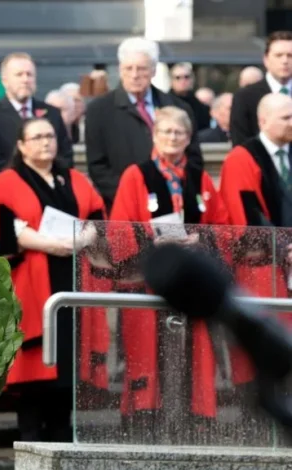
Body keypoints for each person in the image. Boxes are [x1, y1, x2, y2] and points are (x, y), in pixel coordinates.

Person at [109, 106, 229, 443]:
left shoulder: (199, 178)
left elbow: (222, 226)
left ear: (189, 138)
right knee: (148, 357)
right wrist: (153, 240)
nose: (172, 138)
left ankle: (191, 427)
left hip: (192, 283)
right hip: (149, 283)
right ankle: (145, 425)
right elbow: (120, 228)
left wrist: (200, 239)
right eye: (166, 132)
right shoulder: (136, 174)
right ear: (154, 136)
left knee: (193, 358)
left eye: (178, 133)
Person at [0, 117, 107, 442]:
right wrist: (55, 244)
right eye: (37, 137)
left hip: (71, 282)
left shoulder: (73, 178)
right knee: (33, 377)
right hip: (32, 285)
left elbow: (96, 216)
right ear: (22, 145)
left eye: (50, 136)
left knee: (66, 374)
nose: (45, 142)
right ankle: (30, 443)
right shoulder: (7, 182)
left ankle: (62, 440)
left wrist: (79, 242)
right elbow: (7, 229)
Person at [219, 92, 292, 388]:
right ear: (263, 120)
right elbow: (248, 219)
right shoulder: (242, 158)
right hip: (262, 267)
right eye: (286, 117)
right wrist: (284, 249)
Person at [85, 37, 202, 211]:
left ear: (153, 70)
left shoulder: (177, 106)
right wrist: (133, 198)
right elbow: (98, 167)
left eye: (141, 68)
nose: (134, 75)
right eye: (128, 68)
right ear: (120, 70)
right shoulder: (99, 110)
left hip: (174, 204)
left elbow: (194, 158)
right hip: (125, 208)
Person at [0, 52, 73, 181]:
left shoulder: (52, 113)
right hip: (11, 189)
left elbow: (65, 155)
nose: (25, 80)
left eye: (29, 74)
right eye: (19, 74)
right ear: (5, 81)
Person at [230, 31, 292, 147]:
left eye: (290, 55)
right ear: (266, 60)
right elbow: (240, 143)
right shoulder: (245, 97)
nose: (285, 61)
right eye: (278, 55)